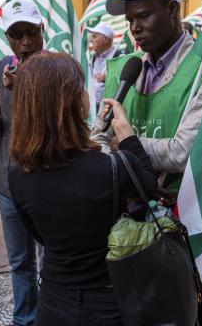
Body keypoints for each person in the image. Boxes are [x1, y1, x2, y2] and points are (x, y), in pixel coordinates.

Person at [91, 0, 202, 325]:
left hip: (189, 234)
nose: (134, 27)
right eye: (129, 19)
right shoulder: (123, 67)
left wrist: (127, 142)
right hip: (128, 233)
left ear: (173, 9)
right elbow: (96, 142)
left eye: (143, 15)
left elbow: (183, 151)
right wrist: (129, 159)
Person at [8, 52, 158, 326]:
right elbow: (149, 189)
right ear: (73, 103)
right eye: (82, 88)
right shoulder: (114, 168)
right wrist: (127, 135)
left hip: (53, 305)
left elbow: (38, 234)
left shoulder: (18, 172)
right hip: (111, 303)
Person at [0, 0, 43, 326]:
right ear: (7, 38)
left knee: (51, 263)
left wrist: (24, 89)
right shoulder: (1, 67)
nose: (25, 42)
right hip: (10, 186)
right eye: (16, 34)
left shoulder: (57, 67)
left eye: (30, 32)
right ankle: (25, 321)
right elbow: (1, 128)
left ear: (42, 30)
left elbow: (61, 128)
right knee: (20, 264)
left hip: (48, 186)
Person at [87, 22, 117, 111]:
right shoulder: (93, 57)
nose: (91, 40)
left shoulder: (118, 56)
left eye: (94, 36)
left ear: (105, 39)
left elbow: (123, 82)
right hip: (92, 105)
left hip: (107, 108)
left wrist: (108, 79)